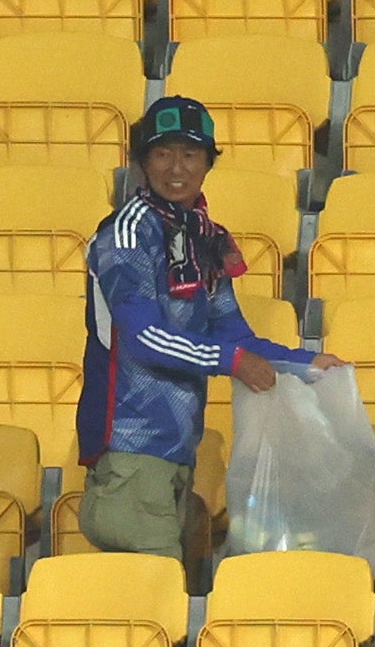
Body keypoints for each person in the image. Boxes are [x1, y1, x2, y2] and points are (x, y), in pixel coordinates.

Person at [77, 95, 345, 565]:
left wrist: (304, 362)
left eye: (189, 154)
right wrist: (233, 363)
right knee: (153, 601)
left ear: (207, 163)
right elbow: (143, 337)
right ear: (143, 162)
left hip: (177, 450)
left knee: (176, 594)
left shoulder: (203, 236)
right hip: (129, 446)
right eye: (162, 153)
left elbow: (233, 334)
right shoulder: (126, 235)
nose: (175, 168)